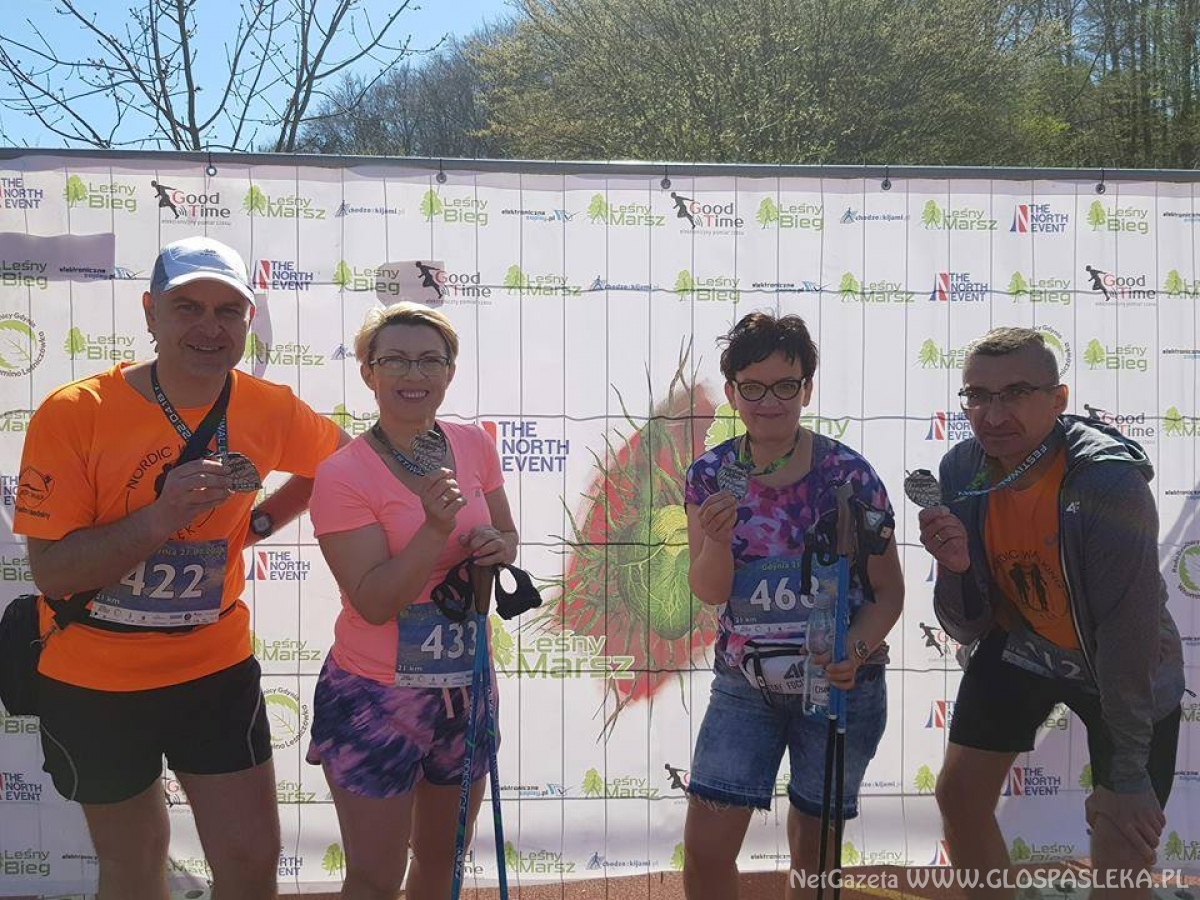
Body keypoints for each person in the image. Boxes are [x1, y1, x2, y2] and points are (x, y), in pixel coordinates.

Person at [12, 235, 347, 900]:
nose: (209, 328)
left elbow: (340, 465)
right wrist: (162, 517)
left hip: (211, 668)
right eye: (188, 307)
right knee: (135, 866)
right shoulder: (76, 412)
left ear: (247, 321)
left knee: (250, 864)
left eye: (228, 311)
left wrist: (260, 523)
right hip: (94, 676)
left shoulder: (268, 407)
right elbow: (53, 573)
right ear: (150, 313)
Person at [919, 327, 1185, 899]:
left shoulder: (1107, 481)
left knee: (1122, 842)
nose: (993, 415)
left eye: (1015, 393)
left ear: (1058, 400)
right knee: (959, 795)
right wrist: (956, 569)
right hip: (1024, 646)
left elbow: (1128, 633)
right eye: (977, 396)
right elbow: (964, 625)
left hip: (1118, 663)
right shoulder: (962, 468)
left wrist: (1127, 776)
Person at [682, 311, 905, 900]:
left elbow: (889, 593)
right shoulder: (710, 474)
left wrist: (855, 650)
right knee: (705, 849)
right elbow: (709, 590)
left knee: (815, 851)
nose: (769, 402)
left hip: (838, 685)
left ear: (807, 389)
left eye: (785, 385)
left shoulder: (850, 475)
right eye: (752, 387)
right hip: (745, 684)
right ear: (732, 391)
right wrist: (718, 540)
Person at [306, 301, 518, 900]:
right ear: (368, 373)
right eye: (395, 360)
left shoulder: (473, 444)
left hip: (464, 686)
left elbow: (507, 531)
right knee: (376, 878)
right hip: (376, 696)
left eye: (430, 361)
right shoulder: (343, 473)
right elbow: (374, 602)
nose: (413, 374)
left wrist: (495, 546)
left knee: (444, 861)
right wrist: (434, 529)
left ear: (450, 371)